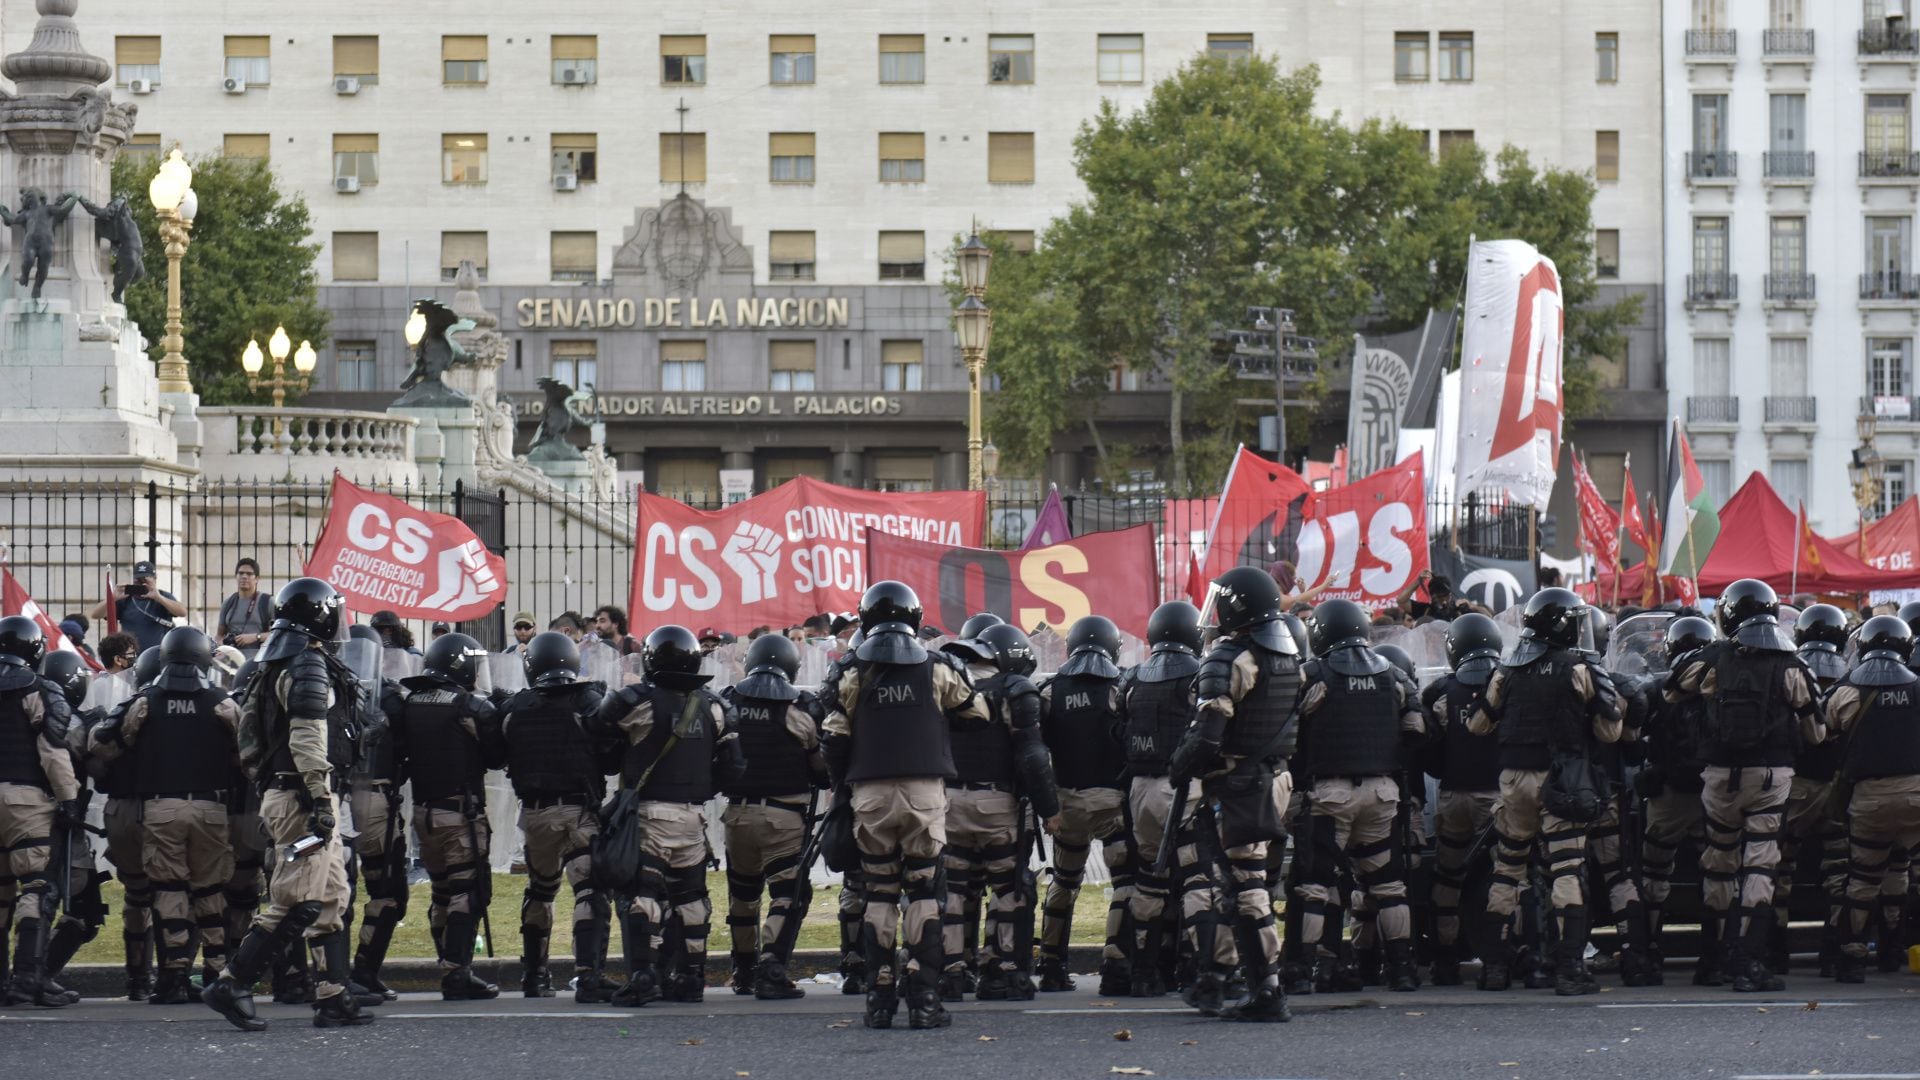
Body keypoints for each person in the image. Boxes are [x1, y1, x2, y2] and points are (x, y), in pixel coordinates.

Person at [201, 577, 373, 1032]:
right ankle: (232, 983)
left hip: (295, 793)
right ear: (321, 614)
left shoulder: (278, 660)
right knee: (297, 900)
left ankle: (334, 996)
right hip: (303, 797)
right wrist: (319, 798)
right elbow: (307, 738)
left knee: (331, 896)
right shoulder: (307, 664)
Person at [821, 581, 990, 1030]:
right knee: (924, 891)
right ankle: (925, 999)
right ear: (915, 618)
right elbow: (978, 713)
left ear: (866, 618)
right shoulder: (937, 667)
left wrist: (842, 783)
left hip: (869, 792)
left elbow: (832, 735)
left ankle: (879, 998)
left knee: (878, 891)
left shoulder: (850, 668)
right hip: (924, 792)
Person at [1665, 578, 1826, 993]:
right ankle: (1750, 961)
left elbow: (1670, 691)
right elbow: (1816, 732)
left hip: (1718, 775)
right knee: (1760, 864)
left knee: (1717, 863)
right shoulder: (1790, 663)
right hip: (1772, 776)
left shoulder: (1713, 656)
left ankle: (1712, 959)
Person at [1467, 587, 1624, 996]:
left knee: (1507, 869)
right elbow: (1611, 729)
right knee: (1567, 868)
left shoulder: (1506, 670)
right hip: (1562, 780)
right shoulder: (1577, 667)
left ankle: (1495, 968)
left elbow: (1477, 725)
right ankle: (1569, 967)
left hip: (1513, 780)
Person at [1168, 566, 1305, 1022]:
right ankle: (1227, 975)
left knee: (1246, 885)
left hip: (1241, 784)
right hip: (1273, 779)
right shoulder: (1287, 652)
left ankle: (1267, 990)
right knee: (1240, 879)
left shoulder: (1230, 657)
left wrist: (1180, 766)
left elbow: (1209, 736)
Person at [84, 627, 242, 1004]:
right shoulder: (222, 702)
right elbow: (251, 751)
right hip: (211, 807)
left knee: (169, 890)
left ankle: (172, 976)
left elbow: (102, 743)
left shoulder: (146, 700)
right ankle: (217, 972)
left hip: (160, 808)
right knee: (209, 890)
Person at [600, 625, 744, 1006]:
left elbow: (602, 747)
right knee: (691, 898)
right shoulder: (714, 706)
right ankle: (692, 977)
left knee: (643, 894)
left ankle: (644, 975)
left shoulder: (636, 701)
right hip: (694, 817)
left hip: (649, 814)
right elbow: (733, 768)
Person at [1290, 600, 1427, 994]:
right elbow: (1417, 730)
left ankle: (1303, 971)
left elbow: (1287, 729)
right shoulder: (1395, 675)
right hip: (1383, 793)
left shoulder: (1312, 674)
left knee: (1315, 885)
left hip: (1330, 794)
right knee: (1388, 885)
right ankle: (1401, 970)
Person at [479, 631, 610, 1002]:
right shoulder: (587, 701)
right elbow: (610, 752)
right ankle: (589, 977)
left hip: (535, 814)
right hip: (578, 810)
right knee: (588, 889)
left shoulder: (515, 708)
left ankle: (534, 976)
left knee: (540, 890)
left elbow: (496, 755)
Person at [942, 622, 1060, 1003]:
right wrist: (1049, 809)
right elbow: (1032, 755)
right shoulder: (1014, 690)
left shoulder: (948, 685)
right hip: (997, 803)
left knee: (955, 889)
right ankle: (1002, 972)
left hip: (947, 801)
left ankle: (952, 972)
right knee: (1008, 888)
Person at [389, 632, 498, 1000]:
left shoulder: (412, 702)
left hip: (424, 813)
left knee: (441, 891)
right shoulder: (469, 706)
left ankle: (445, 961)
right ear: (460, 663)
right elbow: (497, 754)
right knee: (468, 890)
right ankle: (457, 973)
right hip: (459, 814)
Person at [719, 634, 827, 999]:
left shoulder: (730, 701)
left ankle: (743, 971)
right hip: (783, 817)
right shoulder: (799, 709)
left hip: (736, 814)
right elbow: (820, 768)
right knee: (788, 894)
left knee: (743, 895)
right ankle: (771, 968)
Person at [1819, 615, 1920, 982]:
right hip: (1917, 794)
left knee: (1862, 881)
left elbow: (1821, 733)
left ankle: (1853, 958)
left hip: (1869, 799)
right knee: (1905, 874)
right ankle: (1896, 949)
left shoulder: (1846, 691)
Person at [1035, 614, 1130, 995]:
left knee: (1064, 880)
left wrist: (1046, 804)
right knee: (1125, 882)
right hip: (1112, 801)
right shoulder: (1121, 685)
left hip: (1067, 801)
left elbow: (1034, 750)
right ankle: (1117, 965)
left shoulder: (1049, 691)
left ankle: (1052, 965)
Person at [1120, 600, 1204, 999]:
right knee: (1197, 880)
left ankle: (1144, 974)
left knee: (1149, 882)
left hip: (1141, 788)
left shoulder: (1133, 677)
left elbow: (1117, 726)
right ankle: (1201, 972)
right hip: (1184, 788)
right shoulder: (1199, 676)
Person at [1420, 612, 1505, 985]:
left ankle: (1445, 960)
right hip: (1500, 798)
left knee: (1448, 878)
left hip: (1455, 795)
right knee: (1503, 877)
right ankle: (1499, 960)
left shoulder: (1440, 691)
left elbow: (1429, 750)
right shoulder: (1510, 682)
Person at [0, 617, 78, 1008]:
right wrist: (69, 800)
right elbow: (53, 750)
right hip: (24, 802)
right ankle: (26, 980)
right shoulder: (38, 688)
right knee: (35, 887)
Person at [1636, 615, 1714, 985]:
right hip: (1713, 794)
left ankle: (1649, 954)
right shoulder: (1721, 682)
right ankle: (1713, 958)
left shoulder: (1657, 687)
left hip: (1666, 794)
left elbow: (1633, 736)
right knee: (1718, 874)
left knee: (1654, 875)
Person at [87, 645, 162, 1001]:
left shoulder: (124, 710)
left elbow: (98, 749)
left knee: (137, 895)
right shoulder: (203, 706)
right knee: (175, 894)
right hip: (164, 809)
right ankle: (173, 976)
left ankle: (138, 980)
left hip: (124, 810)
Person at [1781, 604, 1851, 975]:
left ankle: (1774, 952)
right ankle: (1836, 952)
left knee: (1779, 866)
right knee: (1841, 870)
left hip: (1795, 783)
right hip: (1837, 785)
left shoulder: (1787, 669)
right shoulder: (1853, 675)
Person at [32, 652, 105, 1005]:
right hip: (61, 821)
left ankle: (28, 975)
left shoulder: (22, 709)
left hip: (26, 816)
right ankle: (37, 975)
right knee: (77, 906)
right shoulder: (70, 722)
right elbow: (96, 756)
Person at [343, 624, 406, 1003]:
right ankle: (363, 970)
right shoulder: (391, 698)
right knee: (386, 890)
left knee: (338, 891)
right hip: (375, 801)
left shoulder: (326, 690)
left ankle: (323, 974)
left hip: (333, 801)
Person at [90, 561, 187, 653]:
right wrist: (113, 598)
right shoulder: (125, 599)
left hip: (157, 654)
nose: (141, 583)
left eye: (145, 580)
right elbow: (95, 614)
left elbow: (182, 612)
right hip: (130, 655)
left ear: (155, 578)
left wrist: (159, 598)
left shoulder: (162, 596)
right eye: (138, 580)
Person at [217, 558, 274, 650]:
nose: (244, 576)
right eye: (241, 573)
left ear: (257, 579)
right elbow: (219, 636)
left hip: (258, 660)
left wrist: (256, 637)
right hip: (232, 660)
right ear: (236, 576)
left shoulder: (267, 602)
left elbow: (279, 634)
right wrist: (221, 645)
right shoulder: (228, 603)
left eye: (249, 574)